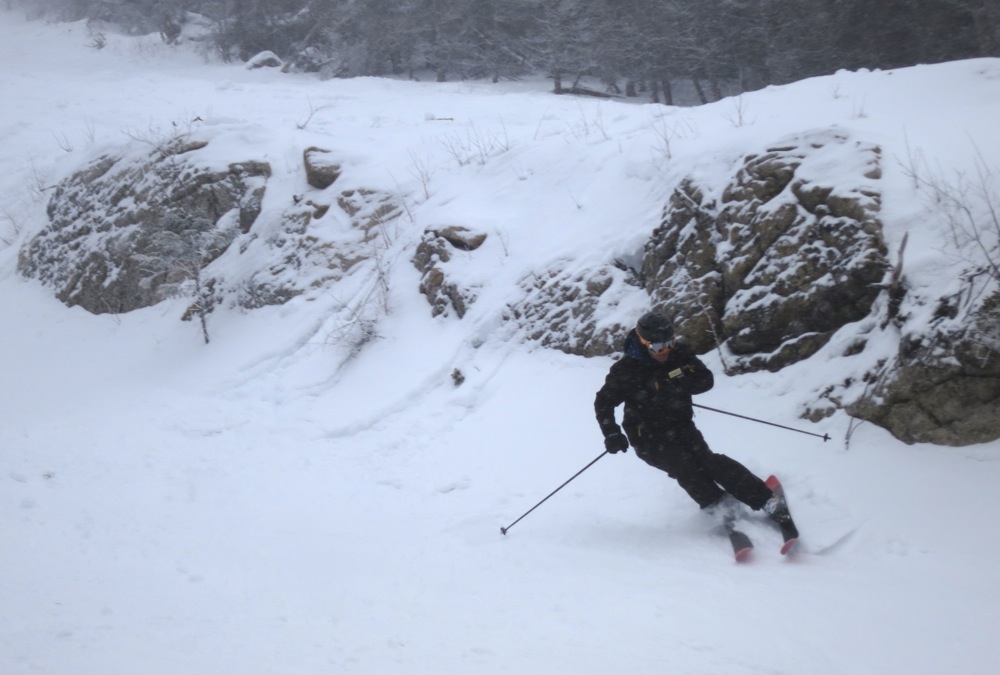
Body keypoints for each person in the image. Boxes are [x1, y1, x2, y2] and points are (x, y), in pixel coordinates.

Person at [594, 311, 792, 528]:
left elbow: (706, 380)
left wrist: (679, 383)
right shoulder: (626, 370)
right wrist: (612, 433)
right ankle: (718, 504)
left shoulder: (679, 354)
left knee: (710, 462)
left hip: (681, 426)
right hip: (647, 437)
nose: (665, 352)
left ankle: (765, 499)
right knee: (685, 468)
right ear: (643, 343)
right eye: (658, 347)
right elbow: (604, 403)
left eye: (669, 343)